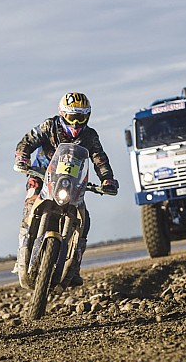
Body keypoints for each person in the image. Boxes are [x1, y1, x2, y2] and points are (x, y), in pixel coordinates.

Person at [13, 92, 119, 288]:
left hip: (72, 183)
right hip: (41, 175)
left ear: (88, 116)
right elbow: (27, 141)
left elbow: (100, 159)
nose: (76, 123)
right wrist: (22, 157)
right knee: (30, 205)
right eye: (72, 117)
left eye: (81, 117)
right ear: (62, 114)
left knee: (84, 219)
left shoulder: (90, 136)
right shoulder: (48, 126)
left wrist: (107, 179)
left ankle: (74, 265)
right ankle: (23, 250)